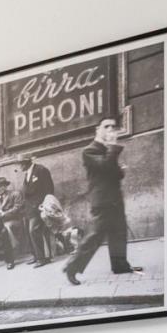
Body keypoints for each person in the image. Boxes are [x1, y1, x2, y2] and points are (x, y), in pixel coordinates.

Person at [64, 118, 144, 284]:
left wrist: (115, 162)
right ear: (97, 130)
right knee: (95, 235)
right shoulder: (89, 150)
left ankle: (120, 265)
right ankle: (72, 267)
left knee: (119, 233)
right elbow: (107, 166)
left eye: (113, 126)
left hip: (114, 198)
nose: (110, 129)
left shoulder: (107, 150)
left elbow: (118, 174)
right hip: (102, 200)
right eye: (106, 126)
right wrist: (113, 148)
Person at [17, 156, 56, 265]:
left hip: (39, 206)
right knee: (30, 232)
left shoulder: (41, 170)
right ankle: (36, 256)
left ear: (26, 163)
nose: (19, 167)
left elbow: (49, 189)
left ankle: (42, 258)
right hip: (29, 209)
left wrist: (45, 204)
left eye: (20, 164)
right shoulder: (27, 173)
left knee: (33, 230)